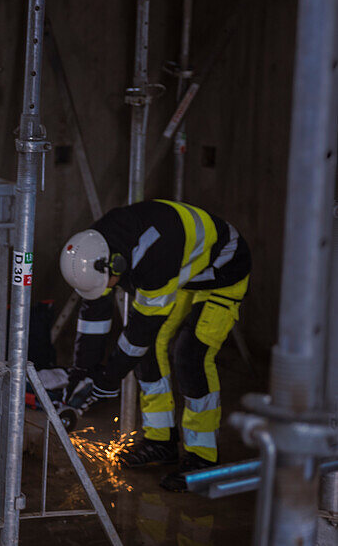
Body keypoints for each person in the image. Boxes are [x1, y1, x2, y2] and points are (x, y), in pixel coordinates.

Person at [57, 199, 251, 492]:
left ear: (116, 264)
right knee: (147, 353)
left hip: (222, 270)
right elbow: (95, 311)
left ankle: (203, 457)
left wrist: (109, 379)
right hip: (184, 270)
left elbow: (142, 330)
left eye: (108, 282)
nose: (108, 288)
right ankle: (161, 441)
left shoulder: (153, 260)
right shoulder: (95, 246)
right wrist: (82, 372)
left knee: (190, 355)